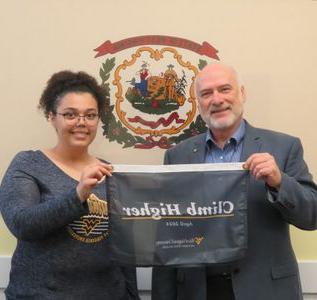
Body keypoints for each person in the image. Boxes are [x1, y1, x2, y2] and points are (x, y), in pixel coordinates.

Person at [151, 63, 317, 300]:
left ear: (242, 93)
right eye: (207, 93)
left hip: (266, 290)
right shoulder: (178, 156)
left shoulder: (284, 147)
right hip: (198, 290)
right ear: (199, 104)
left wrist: (280, 182)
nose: (217, 99)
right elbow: (166, 234)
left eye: (225, 89)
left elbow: (312, 216)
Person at [0, 71, 140, 300]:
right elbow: (22, 224)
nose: (81, 123)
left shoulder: (110, 172)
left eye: (90, 115)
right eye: (70, 114)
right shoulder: (28, 164)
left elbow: (125, 246)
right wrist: (77, 195)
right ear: (51, 116)